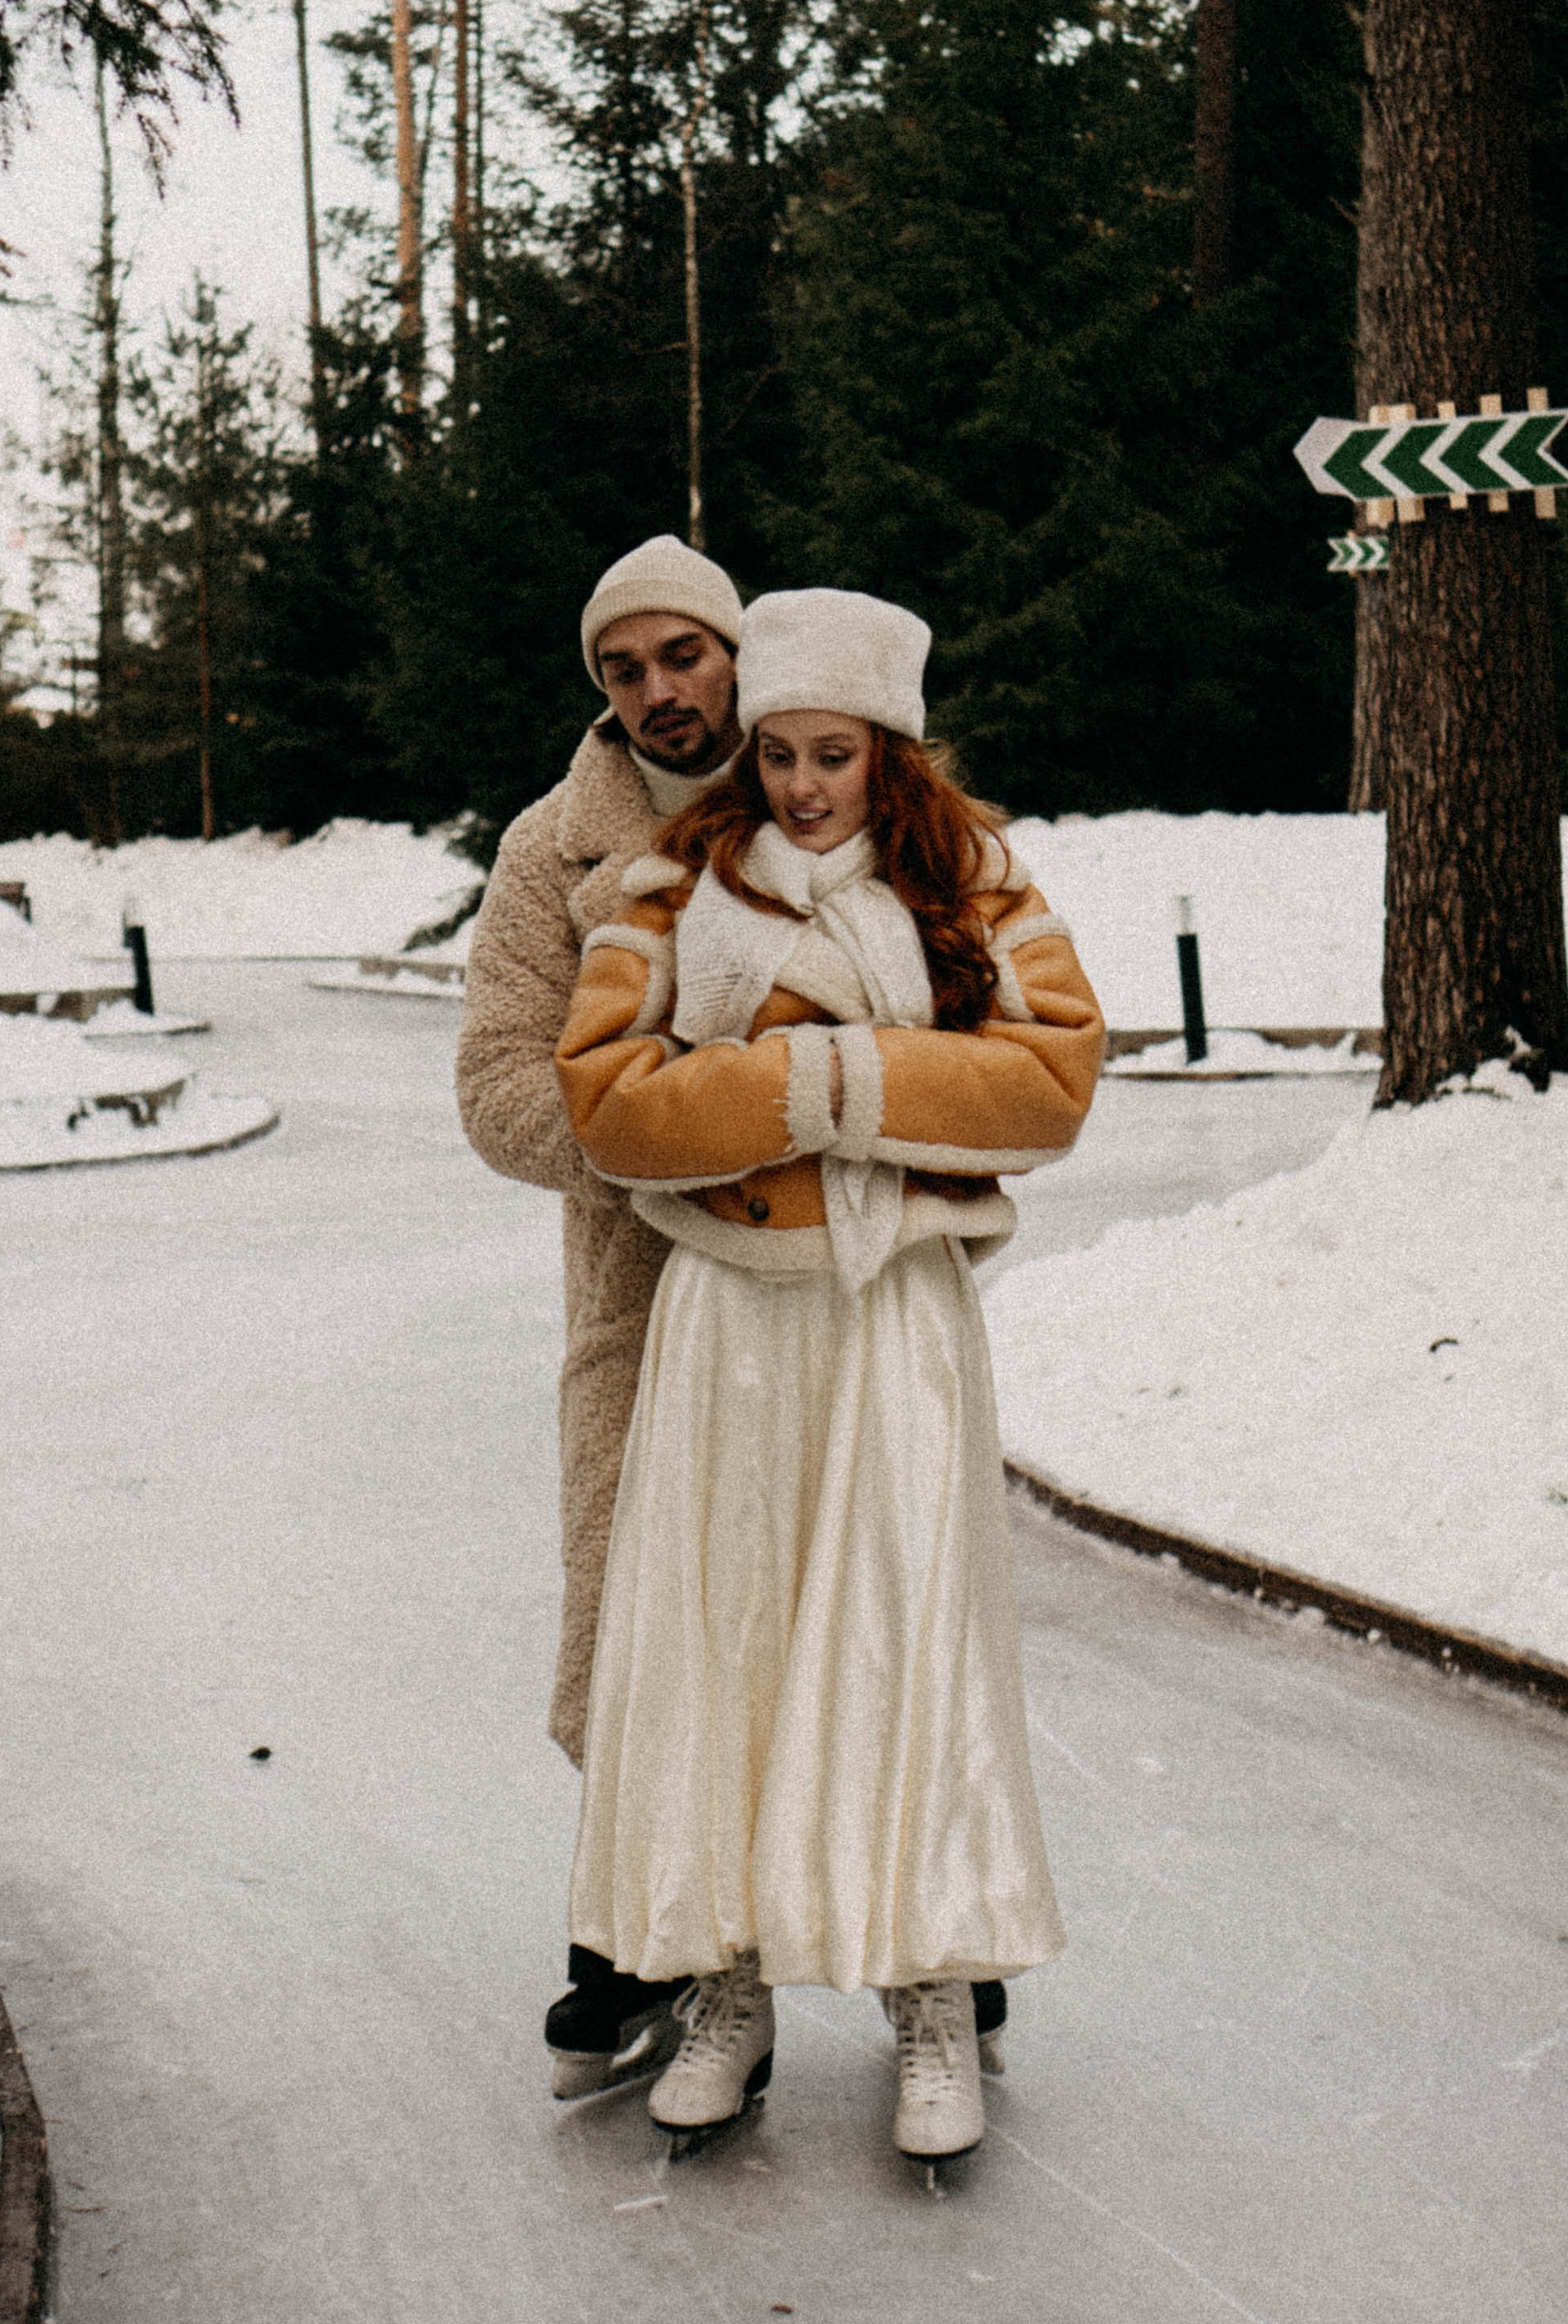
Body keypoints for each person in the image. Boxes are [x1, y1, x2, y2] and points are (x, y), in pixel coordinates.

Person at [554, 586, 1104, 2168]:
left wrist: (826, 1077)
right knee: (722, 1639)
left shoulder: (975, 879)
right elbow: (608, 1098)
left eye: (835, 755)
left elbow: (1053, 1078)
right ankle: (728, 1988)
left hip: (895, 1318)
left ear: (890, 753)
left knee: (910, 1631)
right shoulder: (667, 882)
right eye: (780, 754)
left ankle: (932, 1991)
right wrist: (813, 1079)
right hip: (728, 1320)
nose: (802, 786)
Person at [456, 533, 745, 2100]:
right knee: (638, 1617)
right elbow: (500, 1086)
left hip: (822, 1301)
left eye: (680, 656)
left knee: (839, 1595)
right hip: (640, 1306)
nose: (655, 694)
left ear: (735, 654)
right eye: (622, 670)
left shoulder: (827, 800)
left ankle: (921, 1927)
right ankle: (641, 1939)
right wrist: (664, 1139)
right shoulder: (546, 852)